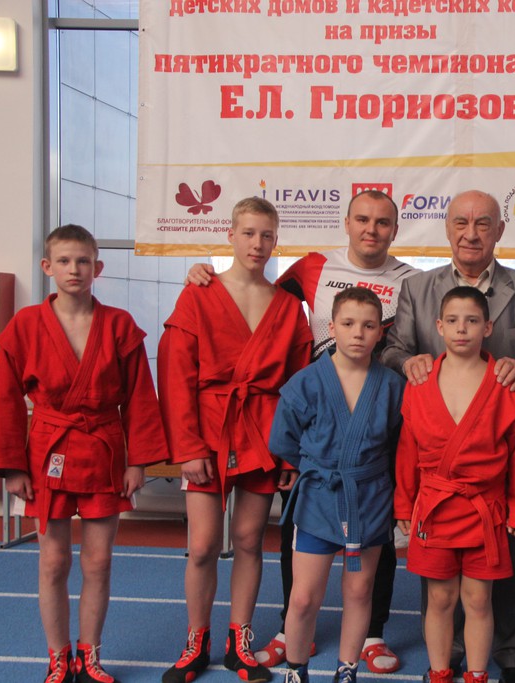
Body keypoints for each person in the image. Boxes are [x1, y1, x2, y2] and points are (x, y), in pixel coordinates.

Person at [187, 189, 417, 674]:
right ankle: (293, 633)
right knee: (300, 535)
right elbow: (258, 296)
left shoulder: (413, 282)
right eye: (362, 219)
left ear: (395, 230)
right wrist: (204, 275)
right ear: (347, 223)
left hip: (373, 416)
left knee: (374, 539)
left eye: (382, 222)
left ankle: (372, 633)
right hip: (319, 421)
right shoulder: (313, 267)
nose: (371, 229)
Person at [382, 189, 515, 683]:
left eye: (483, 223)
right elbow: (392, 349)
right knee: (440, 586)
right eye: (461, 222)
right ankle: (448, 656)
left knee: (512, 560)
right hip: (439, 457)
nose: (471, 233)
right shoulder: (418, 289)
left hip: (495, 455)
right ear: (447, 228)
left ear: (500, 230)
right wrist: (409, 361)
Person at [0, 224, 168, 683]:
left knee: (99, 561)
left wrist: (138, 461)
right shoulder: (26, 325)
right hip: (48, 453)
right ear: (47, 267)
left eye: (83, 261)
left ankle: (90, 655)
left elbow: (140, 398)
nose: (74, 269)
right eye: (64, 261)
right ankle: (58, 656)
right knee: (53, 562)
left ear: (97, 268)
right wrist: (12, 468)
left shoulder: (119, 325)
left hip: (104, 452)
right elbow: (6, 400)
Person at [159, 197, 312, 683]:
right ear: (230, 235)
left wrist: (289, 454)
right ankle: (196, 639)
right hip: (207, 430)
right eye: (248, 233)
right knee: (203, 545)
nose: (257, 244)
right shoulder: (198, 293)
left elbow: (297, 386)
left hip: (264, 432)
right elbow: (176, 375)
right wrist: (187, 448)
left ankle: (239, 639)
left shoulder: (288, 306)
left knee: (249, 539)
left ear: (276, 240)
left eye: (266, 235)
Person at [395, 287, 515, 683]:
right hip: (435, 508)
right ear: (439, 326)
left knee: (478, 598)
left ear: (488, 327)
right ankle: (440, 672)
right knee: (440, 597)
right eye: (453, 321)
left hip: (484, 511)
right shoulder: (421, 381)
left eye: (472, 320)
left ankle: (477, 675)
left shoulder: (505, 383)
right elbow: (407, 450)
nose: (462, 329)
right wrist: (404, 504)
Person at [269, 286, 406, 683]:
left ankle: (347, 670)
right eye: (348, 324)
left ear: (380, 332)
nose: (358, 333)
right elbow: (282, 439)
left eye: (368, 325)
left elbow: (400, 443)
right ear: (331, 328)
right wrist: (317, 466)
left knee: (360, 592)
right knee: (303, 597)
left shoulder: (392, 386)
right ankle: (297, 670)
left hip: (369, 497)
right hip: (319, 496)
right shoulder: (306, 382)